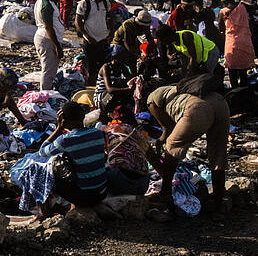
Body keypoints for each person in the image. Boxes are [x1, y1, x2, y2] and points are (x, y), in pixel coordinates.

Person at [147, 84, 229, 221]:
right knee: (218, 155)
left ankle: (165, 194)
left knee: (172, 147)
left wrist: (158, 144)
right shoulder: (177, 89)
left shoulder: (151, 100)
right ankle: (218, 208)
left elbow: (168, 128)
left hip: (197, 108)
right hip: (220, 102)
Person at [36, 102, 108, 210]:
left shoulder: (65, 140)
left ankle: (46, 214)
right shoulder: (97, 133)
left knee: (42, 172)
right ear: (83, 116)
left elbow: (42, 152)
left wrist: (58, 128)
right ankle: (73, 206)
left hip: (85, 196)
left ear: (64, 120)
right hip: (102, 191)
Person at [103, 106, 162, 196]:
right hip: (142, 185)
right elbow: (153, 159)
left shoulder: (109, 130)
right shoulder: (138, 134)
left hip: (119, 182)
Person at [33, 0, 65, 91]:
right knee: (48, 71)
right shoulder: (46, 5)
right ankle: (45, 94)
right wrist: (57, 45)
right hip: (47, 39)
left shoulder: (42, 0)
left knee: (48, 69)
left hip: (45, 38)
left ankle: (46, 91)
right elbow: (48, 27)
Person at [219, 0, 255, 87]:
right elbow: (253, 6)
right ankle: (244, 91)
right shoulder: (242, 7)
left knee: (232, 71)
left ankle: (235, 91)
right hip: (245, 42)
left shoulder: (223, 12)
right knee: (243, 72)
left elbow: (221, 28)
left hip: (232, 43)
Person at [76, 0, 111, 80]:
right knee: (91, 69)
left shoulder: (106, 3)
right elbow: (78, 22)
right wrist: (87, 36)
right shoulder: (84, 3)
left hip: (103, 39)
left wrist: (109, 33)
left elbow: (108, 16)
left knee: (103, 67)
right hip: (90, 40)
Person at [157, 26, 222, 77]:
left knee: (206, 76)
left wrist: (188, 73)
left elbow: (193, 57)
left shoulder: (185, 36)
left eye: (164, 40)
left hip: (210, 51)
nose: (164, 43)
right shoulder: (173, 42)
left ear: (169, 35)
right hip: (201, 56)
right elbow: (172, 54)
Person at [93, 49, 134, 121]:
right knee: (118, 86)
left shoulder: (122, 67)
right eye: (123, 57)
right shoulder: (106, 67)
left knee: (122, 84)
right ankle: (105, 113)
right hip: (101, 97)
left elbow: (130, 79)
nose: (125, 59)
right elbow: (109, 89)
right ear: (115, 57)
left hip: (113, 95)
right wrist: (127, 89)